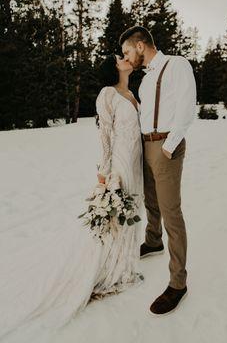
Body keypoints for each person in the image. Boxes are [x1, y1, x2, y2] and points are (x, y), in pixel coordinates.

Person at [0, 54, 144, 339]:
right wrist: (105, 172)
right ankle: (110, 270)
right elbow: (105, 134)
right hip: (119, 162)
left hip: (136, 160)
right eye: (119, 57)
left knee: (133, 208)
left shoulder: (131, 93)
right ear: (113, 68)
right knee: (117, 213)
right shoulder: (107, 94)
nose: (125, 58)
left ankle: (125, 263)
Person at [120, 26, 197, 315]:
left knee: (171, 212)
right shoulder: (146, 78)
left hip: (166, 146)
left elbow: (187, 107)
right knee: (150, 201)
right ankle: (153, 241)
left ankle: (178, 283)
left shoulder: (176, 64)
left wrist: (169, 145)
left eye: (128, 51)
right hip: (146, 145)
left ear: (141, 45)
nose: (127, 57)